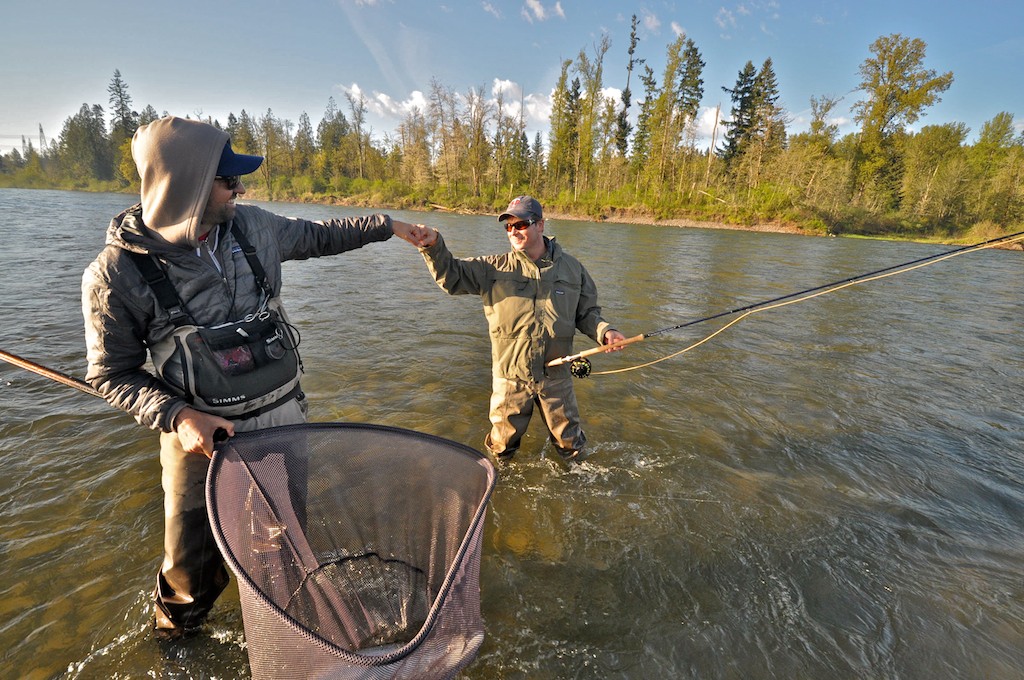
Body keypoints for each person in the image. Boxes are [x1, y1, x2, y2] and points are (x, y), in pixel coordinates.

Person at [81, 116, 431, 639]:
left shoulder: (254, 226)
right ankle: (179, 643)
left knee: (283, 545)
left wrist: (390, 226)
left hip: (283, 424)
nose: (240, 189)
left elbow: (321, 235)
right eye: (228, 180)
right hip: (200, 442)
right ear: (189, 186)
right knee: (189, 572)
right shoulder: (114, 275)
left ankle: (280, 635)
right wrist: (178, 416)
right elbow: (112, 375)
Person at [415, 195, 626, 465]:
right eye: (508, 226)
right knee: (501, 449)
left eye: (521, 224)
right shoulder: (491, 268)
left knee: (571, 446)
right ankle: (498, 490)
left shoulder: (574, 269)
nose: (513, 231)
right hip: (510, 378)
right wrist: (433, 245)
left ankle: (576, 486)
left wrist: (606, 332)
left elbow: (586, 314)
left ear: (540, 225)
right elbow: (451, 276)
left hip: (556, 376)